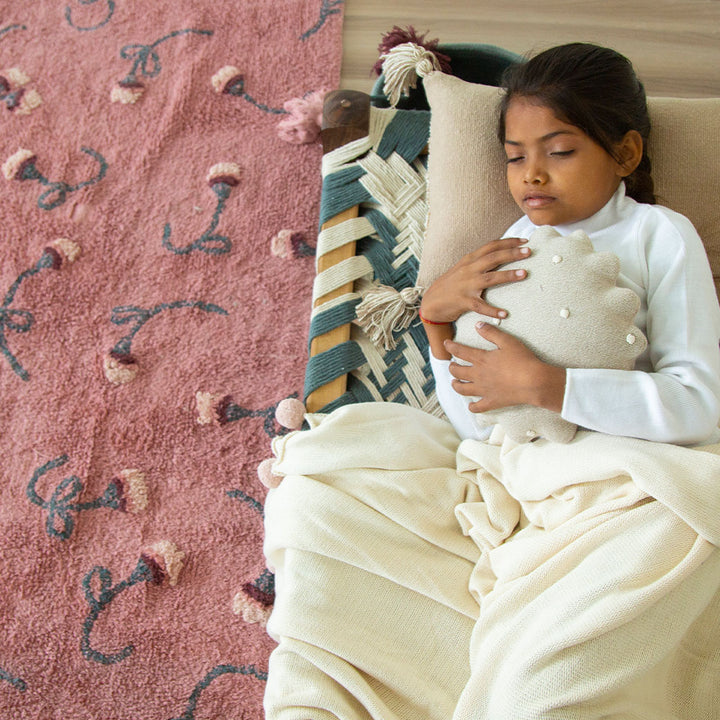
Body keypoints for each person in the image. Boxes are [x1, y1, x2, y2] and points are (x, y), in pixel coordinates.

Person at [418, 42, 720, 446]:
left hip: (626, 455)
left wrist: (548, 386)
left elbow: (696, 407)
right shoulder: (511, 247)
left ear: (625, 154)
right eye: (515, 157)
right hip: (523, 464)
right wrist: (436, 322)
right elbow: (479, 430)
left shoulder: (659, 235)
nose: (532, 175)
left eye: (560, 152)